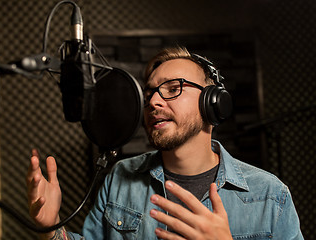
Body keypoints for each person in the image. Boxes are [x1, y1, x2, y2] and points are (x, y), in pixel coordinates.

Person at [26, 46, 303, 240]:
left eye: (173, 88)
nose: (154, 102)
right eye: (150, 94)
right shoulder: (121, 177)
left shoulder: (269, 196)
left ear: (213, 102)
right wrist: (51, 229)